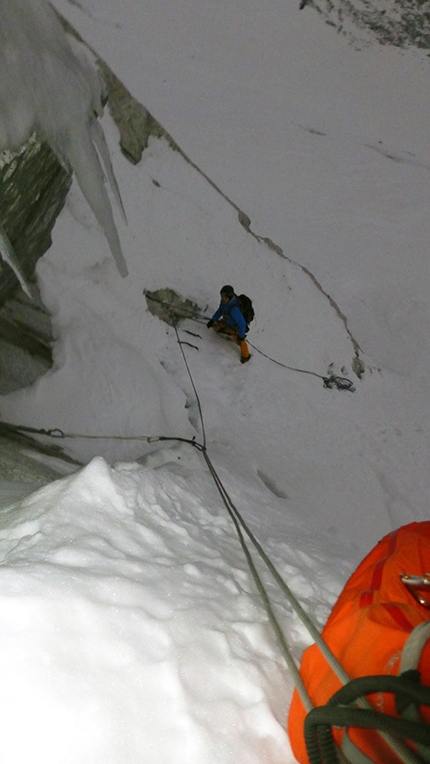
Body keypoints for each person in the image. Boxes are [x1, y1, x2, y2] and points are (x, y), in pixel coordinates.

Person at [207, 285, 251, 364]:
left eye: (225, 297)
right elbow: (220, 310)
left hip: (234, 328)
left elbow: (242, 324)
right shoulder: (224, 303)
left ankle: (246, 356)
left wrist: (241, 336)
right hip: (226, 322)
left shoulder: (234, 310)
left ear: (230, 297)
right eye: (222, 296)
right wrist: (213, 320)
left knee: (240, 342)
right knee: (216, 327)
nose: (223, 298)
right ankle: (226, 331)